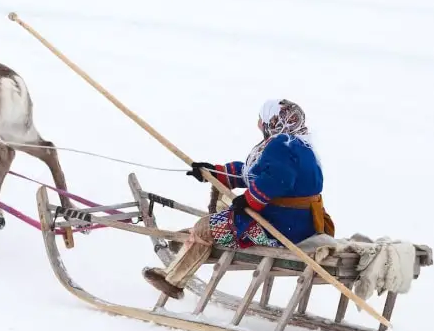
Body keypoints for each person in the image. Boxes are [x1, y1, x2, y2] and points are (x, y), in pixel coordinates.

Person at [142, 98, 333, 299]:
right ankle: (190, 247)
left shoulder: (281, 145)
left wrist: (249, 201)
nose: (259, 124)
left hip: (280, 229)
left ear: (272, 121)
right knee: (220, 216)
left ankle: (173, 281)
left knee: (205, 227)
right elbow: (255, 173)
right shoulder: (301, 145)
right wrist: (215, 172)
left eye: (262, 119)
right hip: (302, 225)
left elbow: (279, 179)